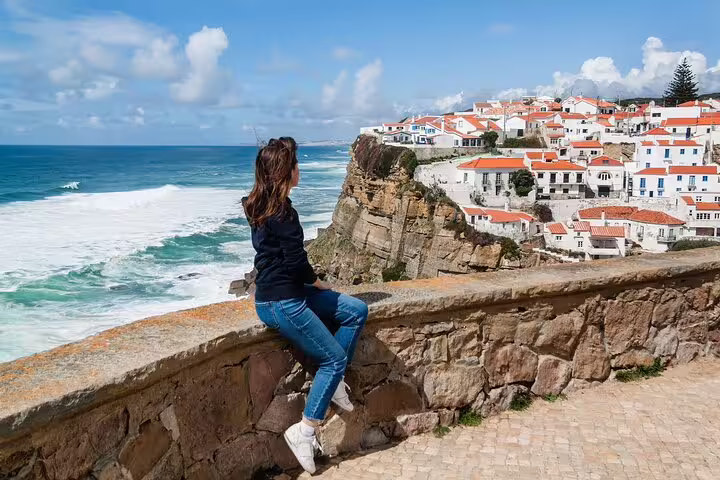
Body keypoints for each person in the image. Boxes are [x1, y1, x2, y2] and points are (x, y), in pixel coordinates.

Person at [242, 137, 369, 475]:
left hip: (288, 293)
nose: (301, 170)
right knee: (334, 359)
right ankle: (305, 430)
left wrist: (307, 284)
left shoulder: (260, 204)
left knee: (357, 311)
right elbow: (297, 263)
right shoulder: (283, 213)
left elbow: (282, 260)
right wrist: (317, 283)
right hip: (280, 301)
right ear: (286, 172)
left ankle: (335, 384)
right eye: (296, 165)